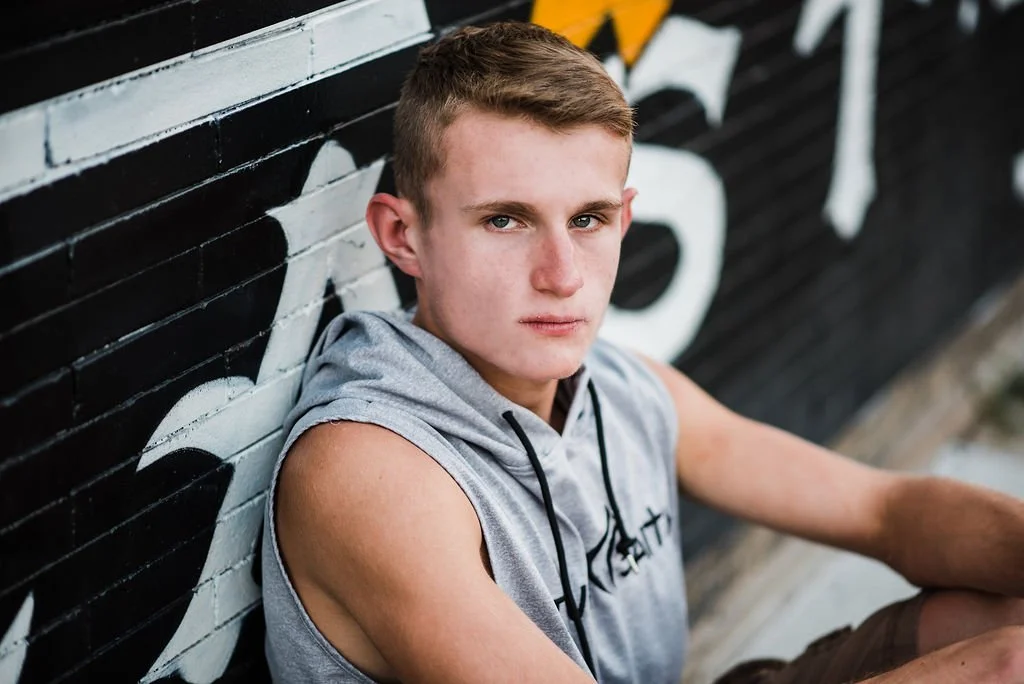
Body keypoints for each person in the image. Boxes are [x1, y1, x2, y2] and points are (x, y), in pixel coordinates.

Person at [261, 21, 1024, 684]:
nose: (562, 275)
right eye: (504, 221)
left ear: (625, 220)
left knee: (989, 617)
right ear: (404, 236)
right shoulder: (367, 469)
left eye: (588, 219)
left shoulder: (622, 389)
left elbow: (883, 510)